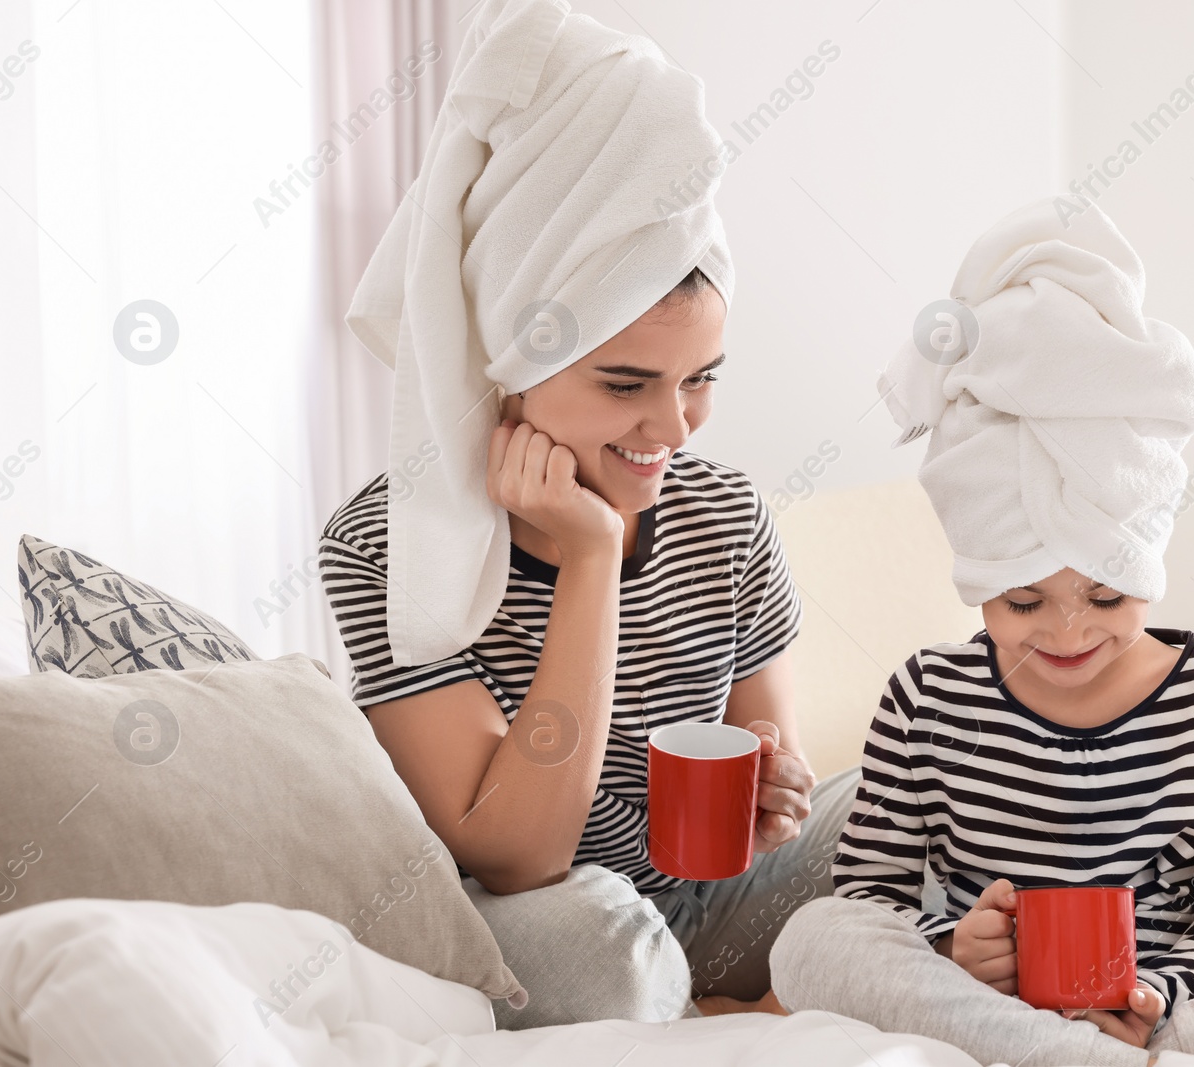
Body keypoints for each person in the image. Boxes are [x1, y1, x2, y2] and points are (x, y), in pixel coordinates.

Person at [762, 198, 1194, 1066]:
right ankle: (1059, 1049)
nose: (1066, 631)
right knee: (814, 938)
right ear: (979, 583)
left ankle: (1143, 1047)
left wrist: (1161, 994)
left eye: (1105, 596)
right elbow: (870, 893)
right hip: (991, 999)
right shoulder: (927, 695)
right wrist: (955, 944)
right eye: (1023, 602)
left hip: (1168, 997)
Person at [317, 0, 858, 1029]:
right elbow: (519, 852)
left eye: (700, 378)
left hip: (718, 900)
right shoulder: (385, 543)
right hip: (561, 912)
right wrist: (591, 556)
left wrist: (776, 797)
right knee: (583, 940)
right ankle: (750, 1005)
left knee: (902, 804)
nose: (674, 427)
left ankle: (731, 1001)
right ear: (508, 366)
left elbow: (769, 761)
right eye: (624, 385)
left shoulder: (725, 512)